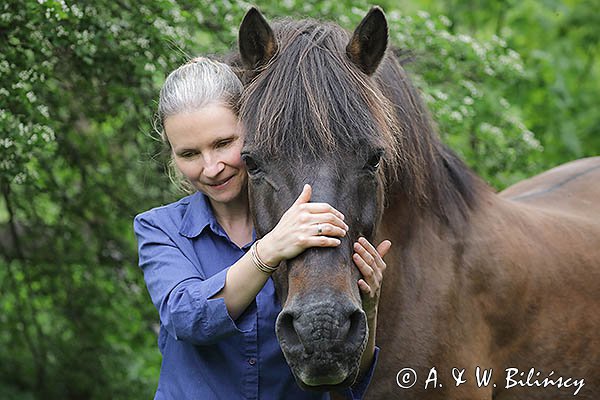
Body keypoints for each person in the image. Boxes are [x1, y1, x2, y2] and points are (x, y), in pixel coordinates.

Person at [133, 57, 391, 400]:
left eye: (224, 143)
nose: (211, 167)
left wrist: (369, 307)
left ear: (253, 132)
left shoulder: (307, 229)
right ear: (173, 156)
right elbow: (187, 317)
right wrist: (270, 250)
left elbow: (346, 377)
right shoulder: (160, 229)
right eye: (190, 153)